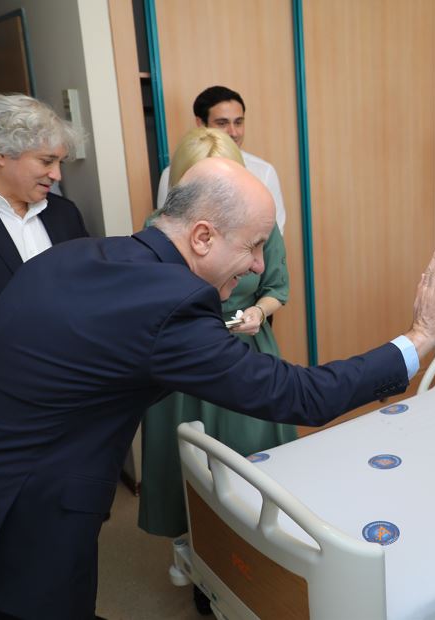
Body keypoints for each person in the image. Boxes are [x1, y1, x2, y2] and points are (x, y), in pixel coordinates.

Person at [0, 156, 435, 620]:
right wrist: (418, 339)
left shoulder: (79, 254)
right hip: (13, 512)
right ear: (203, 237)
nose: (259, 265)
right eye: (254, 245)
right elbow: (299, 394)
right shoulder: (171, 303)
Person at [139, 128, 295, 542]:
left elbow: (276, 288)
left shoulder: (261, 227)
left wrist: (258, 312)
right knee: (187, 464)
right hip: (180, 358)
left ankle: (261, 547)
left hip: (244, 347)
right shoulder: (156, 229)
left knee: (252, 463)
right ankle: (190, 546)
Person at [0, 94, 89, 387]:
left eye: (60, 162)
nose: (57, 175)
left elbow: (88, 288)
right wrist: (42, 346)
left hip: (71, 379)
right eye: (47, 161)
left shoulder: (64, 213)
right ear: (0, 152)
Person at [157, 85, 285, 233]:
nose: (233, 132)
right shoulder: (174, 174)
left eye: (238, 122)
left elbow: (275, 233)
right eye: (222, 123)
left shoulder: (264, 172)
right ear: (200, 123)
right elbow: (168, 232)